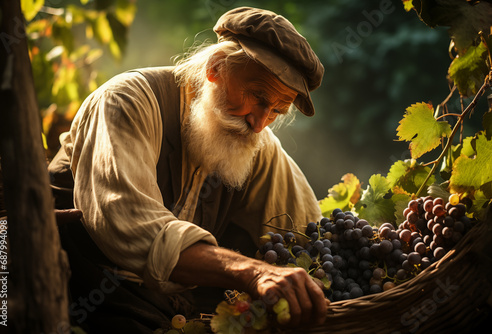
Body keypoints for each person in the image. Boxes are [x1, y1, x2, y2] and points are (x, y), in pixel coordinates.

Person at [48, 6, 328, 333]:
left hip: (166, 314)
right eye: (258, 96)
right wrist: (252, 272)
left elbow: (309, 236)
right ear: (216, 68)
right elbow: (128, 223)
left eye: (277, 111)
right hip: (72, 294)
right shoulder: (127, 100)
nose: (259, 123)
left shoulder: (259, 146)